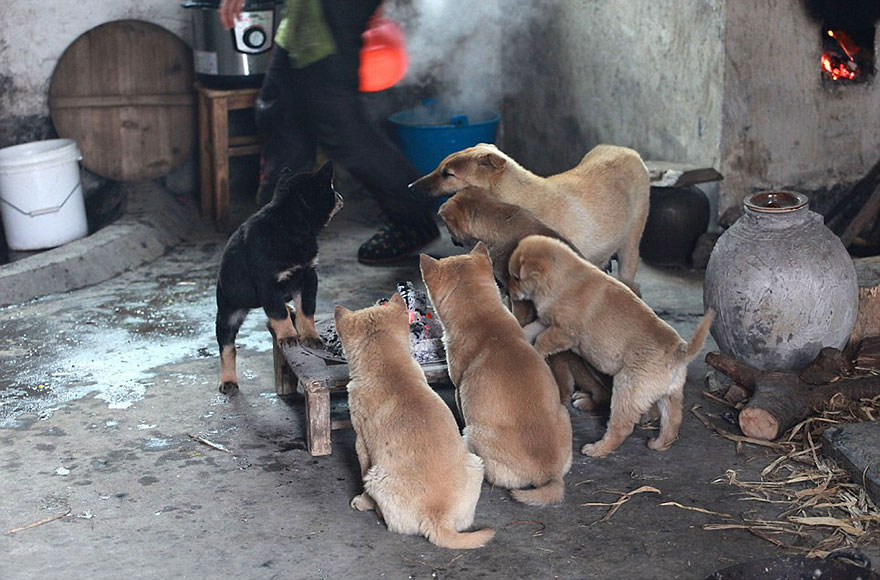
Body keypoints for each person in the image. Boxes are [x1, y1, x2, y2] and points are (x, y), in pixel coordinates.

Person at [218, 0, 440, 264]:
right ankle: (277, 237)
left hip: (328, 14)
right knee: (283, 112)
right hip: (308, 19)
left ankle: (413, 213)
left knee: (341, 128)